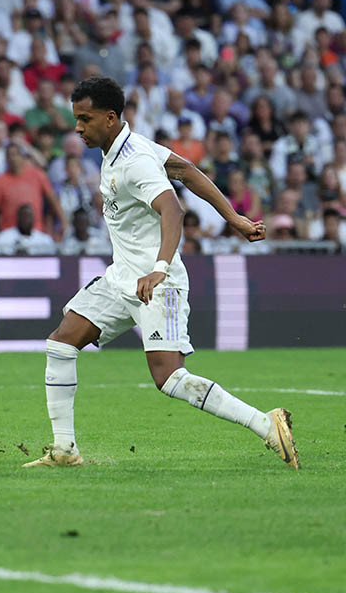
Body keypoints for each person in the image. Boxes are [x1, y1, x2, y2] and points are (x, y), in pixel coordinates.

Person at [22, 76, 298, 470]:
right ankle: (64, 450)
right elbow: (185, 169)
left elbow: (173, 209)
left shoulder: (134, 162)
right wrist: (233, 216)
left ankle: (265, 424)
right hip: (123, 279)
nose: (78, 128)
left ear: (111, 118)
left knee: (169, 379)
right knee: (62, 344)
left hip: (157, 284)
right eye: (76, 119)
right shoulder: (127, 148)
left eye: (85, 119)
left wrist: (159, 269)